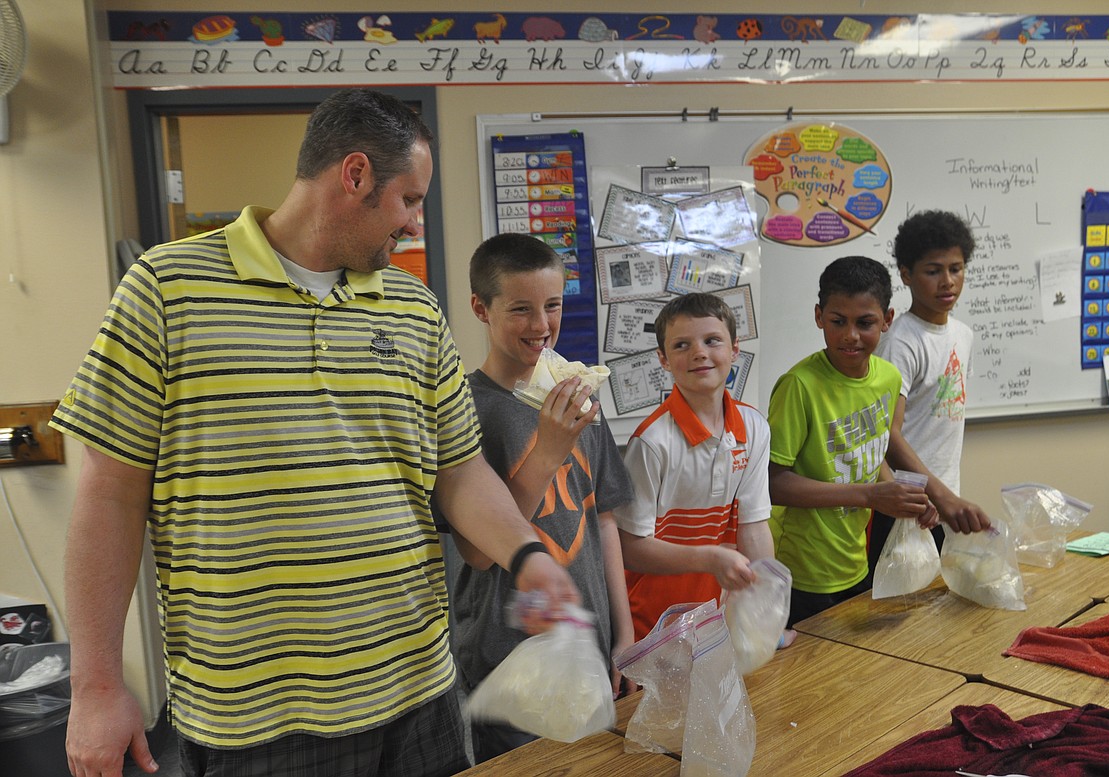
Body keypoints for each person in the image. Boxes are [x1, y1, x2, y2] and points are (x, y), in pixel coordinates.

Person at [50, 88, 577, 777]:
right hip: (255, 716)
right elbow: (109, 494)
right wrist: (94, 684)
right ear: (355, 174)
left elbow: (460, 472)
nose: (417, 224)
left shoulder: (413, 308)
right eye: (410, 201)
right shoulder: (166, 289)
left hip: (420, 693)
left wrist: (526, 554)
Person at [444, 233, 635, 762]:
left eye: (552, 306)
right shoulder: (464, 409)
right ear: (481, 309)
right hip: (508, 659)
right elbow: (481, 552)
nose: (541, 326)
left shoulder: (577, 393)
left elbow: (603, 522)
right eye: (521, 310)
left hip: (588, 646)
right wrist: (548, 450)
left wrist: (623, 635)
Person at [767, 256, 936, 626]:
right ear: (818, 316)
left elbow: (869, 457)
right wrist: (869, 496)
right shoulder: (799, 386)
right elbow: (772, 483)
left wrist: (905, 500)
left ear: (887, 320)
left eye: (865, 323)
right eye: (837, 321)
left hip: (855, 561)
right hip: (802, 570)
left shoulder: (888, 379)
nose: (850, 336)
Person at [615, 293, 778, 641]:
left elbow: (754, 526)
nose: (699, 353)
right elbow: (630, 549)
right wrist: (710, 559)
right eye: (682, 345)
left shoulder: (753, 427)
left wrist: (763, 608)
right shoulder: (651, 442)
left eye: (712, 340)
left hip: (715, 619)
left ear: (734, 349)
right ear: (663, 359)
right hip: (653, 624)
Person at [869, 210, 992, 575]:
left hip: (942, 499)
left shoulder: (963, 335)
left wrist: (946, 496)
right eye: (933, 270)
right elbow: (887, 435)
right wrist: (939, 495)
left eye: (956, 268)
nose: (948, 282)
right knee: (898, 609)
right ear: (906, 274)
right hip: (905, 503)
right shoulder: (900, 342)